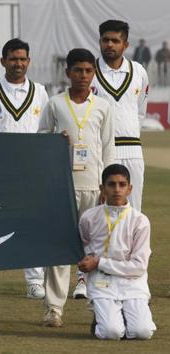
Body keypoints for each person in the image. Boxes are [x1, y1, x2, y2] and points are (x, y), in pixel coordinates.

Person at [38, 48, 115, 327]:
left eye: (88, 70)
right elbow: (41, 140)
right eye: (78, 70)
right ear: (68, 72)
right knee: (60, 249)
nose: (83, 76)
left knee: (95, 250)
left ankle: (99, 305)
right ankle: (54, 308)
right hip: (63, 188)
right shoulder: (55, 104)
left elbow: (108, 148)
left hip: (94, 187)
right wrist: (56, 139)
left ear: (94, 73)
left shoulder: (103, 106)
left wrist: (106, 186)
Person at [0, 38, 49, 300]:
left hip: (29, 170)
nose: (18, 64)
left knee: (32, 225)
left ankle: (35, 281)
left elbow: (45, 131)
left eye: (23, 59)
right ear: (3, 61)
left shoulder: (40, 92)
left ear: (29, 61)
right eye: (13, 59)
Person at [84, 20, 149, 300]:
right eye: (104, 40)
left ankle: (136, 281)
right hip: (100, 150)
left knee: (132, 216)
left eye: (114, 40)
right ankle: (85, 277)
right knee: (96, 214)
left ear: (125, 44)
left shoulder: (139, 72)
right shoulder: (89, 72)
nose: (109, 45)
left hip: (132, 150)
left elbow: (140, 113)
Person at [77, 164, 156, 340]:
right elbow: (83, 248)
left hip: (132, 282)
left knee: (142, 332)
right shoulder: (89, 217)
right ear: (102, 188)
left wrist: (99, 262)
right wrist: (86, 262)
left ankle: (132, 315)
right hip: (102, 282)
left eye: (122, 184)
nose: (117, 190)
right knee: (110, 333)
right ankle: (101, 319)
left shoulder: (140, 221)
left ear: (130, 189)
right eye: (111, 184)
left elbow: (139, 267)